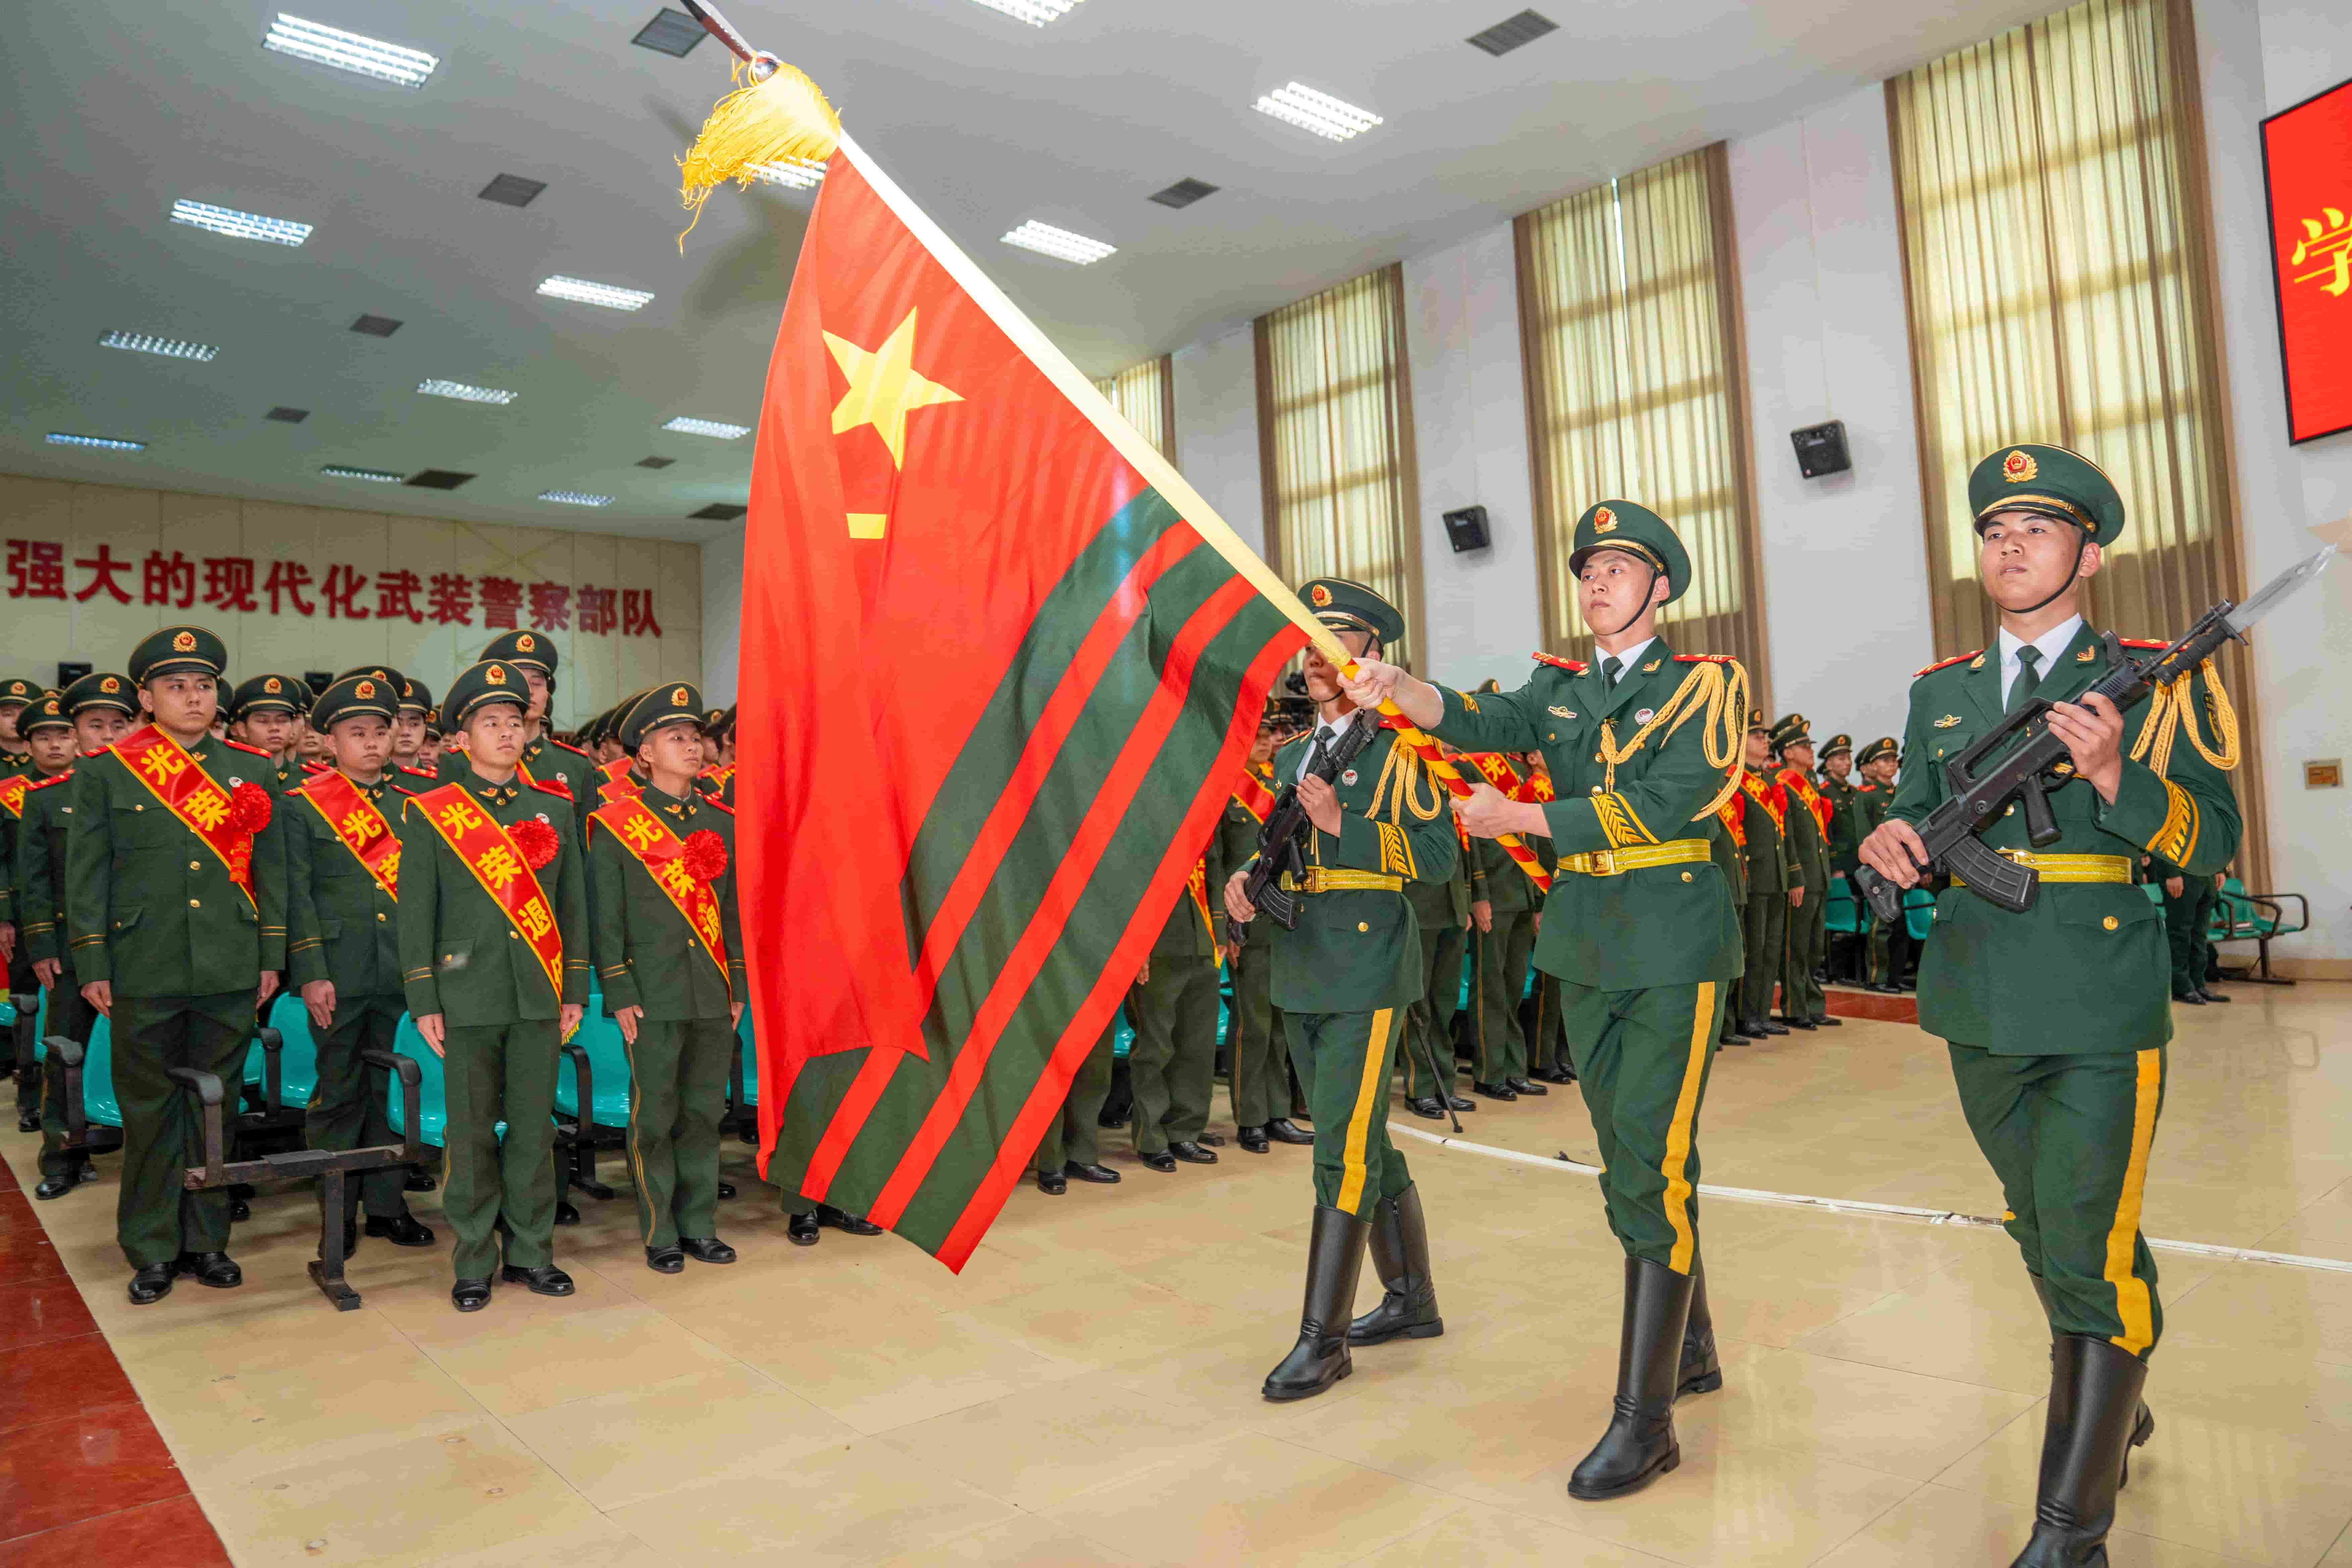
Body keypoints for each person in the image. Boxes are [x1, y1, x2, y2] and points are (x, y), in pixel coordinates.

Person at [1859, 443, 2241, 1567]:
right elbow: (1913, 821)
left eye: (2033, 528)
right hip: (1975, 993)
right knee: (2050, 1226)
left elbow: (2210, 838)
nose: (2007, 547)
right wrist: (1885, 840)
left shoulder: (2155, 678)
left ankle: (2066, 1531)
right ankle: (2117, 1393)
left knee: (2080, 1233)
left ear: (2087, 551)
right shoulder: (1942, 691)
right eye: (1990, 530)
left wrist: (2121, 777)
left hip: (2094, 996)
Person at [1343, 501, 1746, 1500]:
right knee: (1632, 1156)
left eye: (1619, 568)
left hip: (1667, 942)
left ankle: (1642, 1421)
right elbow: (1483, 723)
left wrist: (1521, 814)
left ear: (1662, 587)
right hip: (1585, 943)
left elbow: (1675, 800)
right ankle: (1688, 1351)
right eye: (1588, 570)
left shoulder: (1702, 687)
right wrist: (1399, 687)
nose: (1597, 582)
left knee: (1645, 1159)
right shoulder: (1559, 688)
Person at [1224, 578, 1459, 1404]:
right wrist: (1245, 879)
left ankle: (1321, 1341)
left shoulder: (1402, 751)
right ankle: (1412, 1299)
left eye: (1334, 643)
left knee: (1341, 1151)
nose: (1316, 658)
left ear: (1370, 655)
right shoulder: (1291, 757)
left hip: (1366, 968)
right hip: (1299, 962)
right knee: (1357, 1135)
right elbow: (1278, 849)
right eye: (1309, 642)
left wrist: (1344, 827)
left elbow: (1440, 860)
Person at [64, 626, 290, 1304]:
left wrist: (270, 955)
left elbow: (273, 874)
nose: (193, 697)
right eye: (176, 686)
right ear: (147, 696)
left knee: (212, 1107)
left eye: (203, 685)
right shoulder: (108, 769)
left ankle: (207, 1241)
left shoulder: (253, 768)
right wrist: (93, 959)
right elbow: (88, 877)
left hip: (229, 961)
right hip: (144, 963)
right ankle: (153, 1246)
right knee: (150, 1111)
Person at [398, 659, 591, 1312]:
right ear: (463, 737)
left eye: (515, 721)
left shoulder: (554, 809)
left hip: (539, 994)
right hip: (467, 994)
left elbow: (572, 908)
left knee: (535, 1130)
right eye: (491, 723)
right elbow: (416, 911)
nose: (507, 733)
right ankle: (475, 1258)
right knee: (472, 1132)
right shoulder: (432, 813)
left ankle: (533, 1253)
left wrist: (574, 988)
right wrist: (425, 997)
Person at [585, 684, 747, 1272]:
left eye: (696, 736)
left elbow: (732, 914)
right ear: (645, 754)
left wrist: (737, 988)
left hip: (710, 992)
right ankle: (660, 1232)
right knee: (654, 1114)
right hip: (649, 995)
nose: (693, 746)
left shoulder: (720, 822)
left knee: (704, 1112)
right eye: (675, 737)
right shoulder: (616, 824)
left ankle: (700, 1224)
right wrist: (620, 991)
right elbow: (606, 921)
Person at [284, 674, 437, 1254]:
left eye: (381, 730)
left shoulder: (418, 800)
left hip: (404, 970)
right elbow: (296, 895)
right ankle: (337, 1214)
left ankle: (388, 1206)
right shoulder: (303, 806)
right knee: (339, 1094)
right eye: (357, 733)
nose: (372, 743)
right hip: (338, 974)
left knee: (396, 1092)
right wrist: (311, 970)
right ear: (330, 741)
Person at [14, 676, 134, 1195]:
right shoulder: (45, 799)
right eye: (95, 726)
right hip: (70, 952)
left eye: (119, 725)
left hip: (142, 948)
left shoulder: (160, 797)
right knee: (67, 1051)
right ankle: (62, 1158)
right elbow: (33, 881)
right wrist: (41, 945)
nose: (107, 735)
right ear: (77, 733)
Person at [1217, 725, 1312, 1150]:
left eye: (1271, 737)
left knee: (1278, 1027)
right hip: (1249, 924)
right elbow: (1219, 862)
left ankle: (1277, 1112)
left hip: (1283, 926)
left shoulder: (1278, 788)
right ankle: (1250, 1117)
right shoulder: (1227, 792)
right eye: (1258, 737)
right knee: (1252, 1026)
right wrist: (1227, 925)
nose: (1268, 744)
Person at [1125, 826, 1228, 1172]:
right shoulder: (1144, 814)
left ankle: (1185, 1130)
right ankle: (1151, 1138)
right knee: (1154, 1046)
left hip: (1204, 944)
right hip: (1159, 947)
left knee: (1197, 1047)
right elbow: (1129, 878)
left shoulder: (1200, 814)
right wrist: (1137, 943)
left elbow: (1214, 870)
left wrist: (1220, 929)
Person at [438, 632, 596, 820]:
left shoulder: (576, 765)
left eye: (537, 683)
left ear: (548, 694)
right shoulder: (459, 761)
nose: (529, 691)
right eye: (519, 683)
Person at [1769, 716, 1836, 1029]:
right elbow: (1788, 836)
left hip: (1818, 876)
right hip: (1802, 879)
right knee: (1796, 946)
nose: (1811, 751)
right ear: (1787, 752)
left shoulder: (1810, 784)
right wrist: (1795, 876)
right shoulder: (1783, 784)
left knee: (1814, 946)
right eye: (1803, 746)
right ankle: (1796, 1008)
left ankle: (1813, 1004)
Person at [1735, 713, 1794, 1038]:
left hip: (1776, 875)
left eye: (1766, 736)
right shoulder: (1734, 780)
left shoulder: (1771, 782)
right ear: (1741, 743)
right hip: (1753, 877)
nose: (1766, 741)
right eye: (1757, 736)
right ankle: (1746, 1016)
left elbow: (1783, 835)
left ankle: (1762, 1012)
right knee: (1753, 950)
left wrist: (1790, 874)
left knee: (1771, 949)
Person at [1031, 1020, 1121, 1193]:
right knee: (1052, 1061)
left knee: (1096, 1063)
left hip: (1101, 993)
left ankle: (1082, 1154)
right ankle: (1050, 1161)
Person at [1853, 737, 1911, 992]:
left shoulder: (1902, 795)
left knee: (1901, 927)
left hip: (1905, 869)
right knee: (1881, 926)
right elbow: (1865, 837)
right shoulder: (1866, 797)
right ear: (1873, 767)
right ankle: (1877, 977)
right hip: (1881, 870)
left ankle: (1895, 976)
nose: (1891, 764)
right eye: (1884, 760)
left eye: (1892, 759)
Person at [229, 674, 307, 789]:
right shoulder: (226, 776)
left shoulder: (310, 782)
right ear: (242, 729)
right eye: (263, 721)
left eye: (282, 721)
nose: (275, 727)